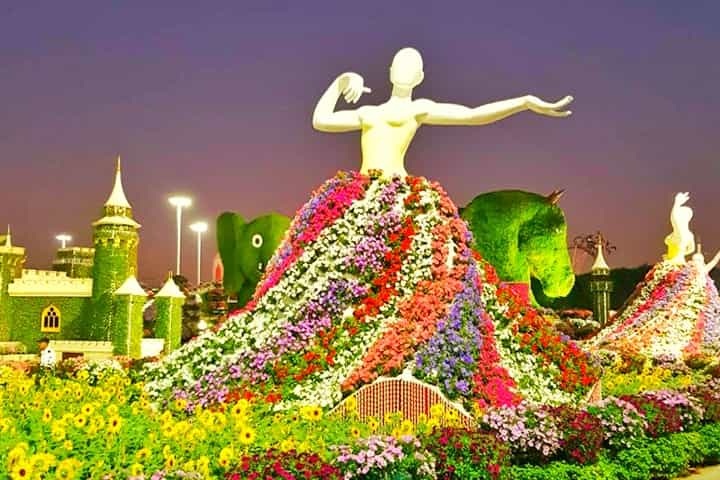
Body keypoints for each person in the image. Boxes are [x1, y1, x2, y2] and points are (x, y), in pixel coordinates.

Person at [313, 47, 572, 177]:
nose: (405, 70)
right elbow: (321, 121)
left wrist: (524, 101)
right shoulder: (368, 112)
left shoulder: (419, 109)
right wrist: (341, 81)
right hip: (362, 191)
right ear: (390, 70)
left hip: (400, 189)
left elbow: (472, 115)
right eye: (401, 64)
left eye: (412, 66)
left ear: (420, 77)